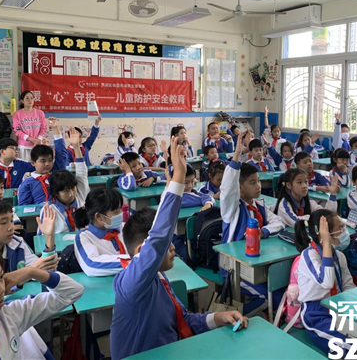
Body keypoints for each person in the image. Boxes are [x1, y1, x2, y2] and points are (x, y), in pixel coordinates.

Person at [110, 136, 247, 358]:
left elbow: (183, 319)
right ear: (142, 252)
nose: (173, 247)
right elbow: (158, 236)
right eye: (167, 245)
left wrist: (217, 318)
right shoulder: (131, 283)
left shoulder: (161, 278)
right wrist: (178, 178)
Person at [220, 131, 285, 314]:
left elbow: (278, 222)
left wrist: (263, 232)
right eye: (252, 183)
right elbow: (227, 189)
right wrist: (237, 155)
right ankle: (234, 320)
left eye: (258, 181)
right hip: (234, 267)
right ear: (240, 188)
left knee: (281, 291)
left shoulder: (260, 206)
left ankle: (270, 319)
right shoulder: (232, 210)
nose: (258, 186)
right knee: (267, 298)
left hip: (257, 263)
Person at [294, 210, 355, 356]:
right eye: (340, 228)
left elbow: (348, 286)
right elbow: (326, 282)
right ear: (325, 234)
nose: (344, 232)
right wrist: (326, 243)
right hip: (317, 315)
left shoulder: (339, 256)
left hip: (339, 307)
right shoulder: (309, 255)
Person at [73, 188, 131, 276]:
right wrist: (135, 261)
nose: (120, 213)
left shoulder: (125, 227)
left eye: (120, 209)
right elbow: (92, 265)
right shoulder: (84, 237)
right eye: (116, 212)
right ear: (99, 216)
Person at [16, 124, 71, 205]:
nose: (47, 164)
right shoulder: (27, 183)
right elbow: (24, 207)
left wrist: (55, 128)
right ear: (33, 163)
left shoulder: (57, 175)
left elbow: (61, 153)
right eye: (43, 161)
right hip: (39, 212)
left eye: (50, 160)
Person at [12, 91, 48, 161]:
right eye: (27, 98)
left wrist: (38, 140)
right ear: (22, 101)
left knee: (37, 166)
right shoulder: (17, 114)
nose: (30, 100)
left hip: (37, 146)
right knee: (25, 167)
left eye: (31, 98)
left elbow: (44, 127)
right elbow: (17, 130)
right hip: (23, 147)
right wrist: (32, 140)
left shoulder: (40, 113)